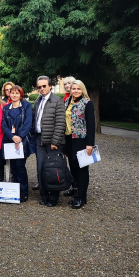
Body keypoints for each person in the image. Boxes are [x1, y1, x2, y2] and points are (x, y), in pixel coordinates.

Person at [33, 76, 66, 207]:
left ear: (50, 86)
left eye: (44, 86)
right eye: (39, 87)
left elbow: (60, 123)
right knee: (41, 168)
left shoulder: (57, 101)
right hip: (40, 140)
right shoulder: (37, 101)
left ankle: (53, 197)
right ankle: (43, 195)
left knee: (53, 169)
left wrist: (55, 141)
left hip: (53, 141)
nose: (41, 89)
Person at [64, 80, 95, 209]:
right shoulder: (67, 102)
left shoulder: (87, 103)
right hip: (69, 138)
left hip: (81, 139)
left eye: (78, 89)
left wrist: (90, 144)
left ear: (82, 90)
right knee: (72, 166)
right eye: (73, 88)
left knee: (82, 168)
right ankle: (76, 189)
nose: (76, 91)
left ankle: (82, 197)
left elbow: (91, 125)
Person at [2, 85, 32, 202]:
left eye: (16, 93)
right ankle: (15, 191)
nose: (14, 95)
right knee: (13, 167)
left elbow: (28, 123)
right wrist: (12, 136)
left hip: (21, 141)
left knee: (20, 166)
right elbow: (3, 124)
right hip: (10, 141)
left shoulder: (26, 106)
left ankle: (24, 192)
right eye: (12, 93)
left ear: (21, 95)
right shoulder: (6, 108)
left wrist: (19, 137)